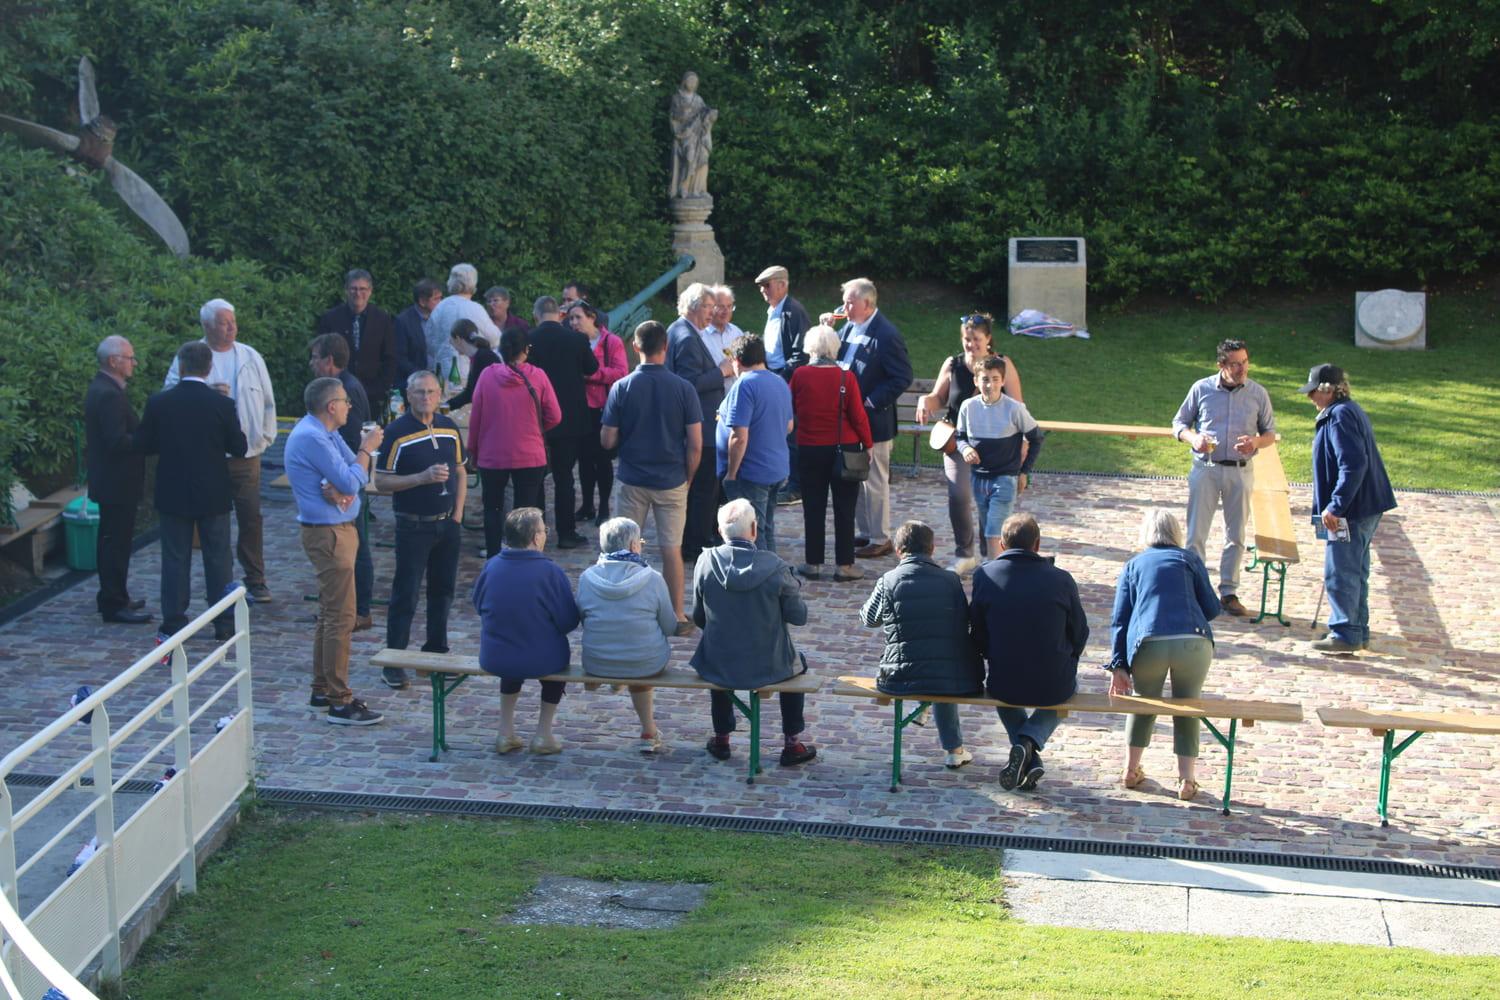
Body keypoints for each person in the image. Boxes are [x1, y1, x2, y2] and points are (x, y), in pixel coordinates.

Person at [283, 376, 384, 725]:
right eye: (344, 401)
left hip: (339, 530)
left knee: (330, 615)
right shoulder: (312, 436)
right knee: (341, 618)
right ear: (331, 406)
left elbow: (354, 478)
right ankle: (340, 701)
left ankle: (322, 688)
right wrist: (367, 449)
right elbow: (353, 476)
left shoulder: (325, 433)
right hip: (329, 535)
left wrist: (349, 480)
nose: (349, 406)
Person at [163, 299, 277, 603]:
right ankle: (219, 584)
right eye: (224, 322)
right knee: (213, 523)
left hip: (245, 453)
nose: (231, 327)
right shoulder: (189, 356)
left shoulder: (250, 356)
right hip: (206, 457)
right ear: (207, 326)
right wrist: (204, 396)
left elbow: (267, 401)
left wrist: (264, 438)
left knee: (251, 517)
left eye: (233, 321)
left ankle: (256, 578)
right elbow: (170, 396)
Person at [135, 342, 248, 644]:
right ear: (209, 368)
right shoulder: (222, 405)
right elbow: (239, 447)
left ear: (181, 367)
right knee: (218, 558)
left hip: (173, 490)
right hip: (212, 490)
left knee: (175, 558)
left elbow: (144, 445)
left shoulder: (159, 403)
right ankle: (223, 623)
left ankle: (174, 622)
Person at [690, 499, 816, 767]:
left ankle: (722, 736)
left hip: (720, 660)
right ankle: (792, 742)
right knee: (797, 663)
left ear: (721, 530)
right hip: (769, 662)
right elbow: (799, 617)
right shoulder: (776, 567)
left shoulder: (705, 561)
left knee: (717, 653)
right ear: (754, 529)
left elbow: (699, 617)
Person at [1108, 509, 1222, 801]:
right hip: (1192, 640)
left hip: (1149, 642)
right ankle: (1187, 779)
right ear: (1175, 532)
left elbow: (1120, 619)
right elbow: (1212, 608)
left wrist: (1118, 665)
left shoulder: (1133, 565)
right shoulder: (1188, 558)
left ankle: (1131, 769)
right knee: (1187, 705)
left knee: (1144, 703)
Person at [970, 514, 1089, 792]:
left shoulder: (984, 575)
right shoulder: (1061, 579)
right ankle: (1029, 745)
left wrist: (990, 654)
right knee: (1068, 692)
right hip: (1053, 681)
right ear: (1038, 544)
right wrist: (1069, 657)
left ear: (1001, 544)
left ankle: (1026, 750)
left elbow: (977, 629)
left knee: (1000, 695)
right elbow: (1080, 631)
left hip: (1005, 680)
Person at [600, 320, 703, 627]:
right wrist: (689, 475)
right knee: (672, 549)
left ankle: (626, 609)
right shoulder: (684, 388)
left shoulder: (622, 387)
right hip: (671, 479)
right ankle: (676, 613)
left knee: (625, 546)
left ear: (636, 347)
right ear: (666, 348)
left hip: (633, 478)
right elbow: (695, 444)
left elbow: (607, 439)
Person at [860, 521, 984, 769]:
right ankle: (954, 750)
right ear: (933, 549)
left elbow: (869, 620)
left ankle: (926, 714)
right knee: (941, 667)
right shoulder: (950, 580)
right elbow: (963, 621)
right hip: (950, 675)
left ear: (898, 550)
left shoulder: (888, 580)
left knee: (930, 666)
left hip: (900, 676)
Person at [1171, 339, 1277, 617]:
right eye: (1235, 363)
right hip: (1206, 468)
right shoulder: (1201, 389)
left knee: (1236, 535)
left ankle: (1229, 592)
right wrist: (1194, 439)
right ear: (1221, 365)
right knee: (1196, 534)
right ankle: (1194, 590)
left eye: (1244, 361)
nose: (1242, 368)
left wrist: (1254, 442)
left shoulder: (1258, 393)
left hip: (1241, 471)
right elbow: (1179, 424)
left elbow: (1269, 435)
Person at [375, 371, 465, 691]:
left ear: (439, 395)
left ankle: (435, 655)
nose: (425, 398)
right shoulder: (396, 433)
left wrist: (457, 514)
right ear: (408, 396)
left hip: (446, 523)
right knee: (406, 593)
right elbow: (381, 482)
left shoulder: (449, 427)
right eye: (418, 392)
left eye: (430, 392)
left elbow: (460, 470)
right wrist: (421, 478)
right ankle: (394, 661)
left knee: (442, 592)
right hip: (413, 524)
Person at [914, 313, 1024, 573]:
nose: (971, 344)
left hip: (996, 443)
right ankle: (965, 553)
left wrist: (1023, 445)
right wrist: (924, 402)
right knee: (959, 495)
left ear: (988, 339)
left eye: (976, 339)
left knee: (990, 500)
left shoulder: (1002, 364)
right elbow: (938, 398)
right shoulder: (953, 364)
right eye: (967, 338)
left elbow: (1018, 406)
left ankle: (991, 556)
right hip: (958, 442)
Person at [1302, 363, 1397, 653]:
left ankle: (1344, 632)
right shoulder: (1348, 410)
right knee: (1356, 569)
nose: (1310, 397)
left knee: (1340, 569)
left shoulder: (1339, 416)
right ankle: (1358, 629)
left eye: (1314, 391)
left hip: (1351, 510)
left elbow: (1352, 465)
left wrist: (1336, 506)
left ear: (1327, 390)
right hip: (1365, 506)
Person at [472, 507, 580, 754]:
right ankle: (543, 734)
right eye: (543, 530)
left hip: (496, 656)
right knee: (555, 667)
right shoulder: (550, 572)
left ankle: (505, 731)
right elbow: (568, 621)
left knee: (514, 652)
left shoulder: (491, 566)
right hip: (542, 660)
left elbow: (478, 605)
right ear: (535, 538)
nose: (545, 534)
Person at [824, 278, 912, 558]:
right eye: (845, 301)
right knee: (856, 476)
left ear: (867, 304)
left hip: (873, 420)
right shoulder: (850, 325)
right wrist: (827, 332)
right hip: (849, 419)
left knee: (874, 480)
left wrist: (869, 402)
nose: (844, 307)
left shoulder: (886, 335)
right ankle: (865, 532)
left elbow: (902, 377)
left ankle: (881, 536)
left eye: (850, 302)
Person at [576, 517, 678, 753]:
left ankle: (619, 680)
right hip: (644, 661)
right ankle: (648, 731)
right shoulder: (652, 578)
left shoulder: (587, 577)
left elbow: (584, 619)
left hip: (597, 661)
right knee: (642, 653)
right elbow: (670, 627)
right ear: (633, 546)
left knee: (630, 646)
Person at [789, 324, 872, 581]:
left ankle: (813, 562)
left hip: (810, 448)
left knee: (813, 506)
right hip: (843, 449)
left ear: (810, 348)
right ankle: (844, 565)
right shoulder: (846, 377)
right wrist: (867, 444)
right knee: (844, 508)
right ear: (835, 348)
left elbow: (791, 408)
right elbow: (858, 416)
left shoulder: (800, 375)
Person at [469, 326, 561, 558]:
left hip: (492, 453)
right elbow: (555, 415)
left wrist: (473, 450)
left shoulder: (487, 375)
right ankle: (524, 555)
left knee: (492, 508)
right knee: (526, 511)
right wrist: (537, 429)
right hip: (529, 452)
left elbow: (476, 418)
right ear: (526, 350)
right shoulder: (538, 376)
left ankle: (493, 554)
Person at [308, 334, 374, 630]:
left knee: (357, 547)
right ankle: (345, 607)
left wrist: (340, 482)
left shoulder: (344, 389)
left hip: (348, 480)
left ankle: (359, 610)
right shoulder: (342, 386)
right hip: (345, 477)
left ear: (329, 361)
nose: (311, 363)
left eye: (315, 357)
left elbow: (350, 438)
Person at [85, 335, 150, 624]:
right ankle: (113, 602)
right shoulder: (109, 393)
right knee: (115, 543)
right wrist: (145, 440)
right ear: (114, 361)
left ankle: (115, 596)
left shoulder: (103, 388)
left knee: (114, 541)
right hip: (117, 482)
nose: (133, 363)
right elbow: (116, 441)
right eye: (129, 358)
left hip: (112, 481)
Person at [526, 295, 600, 549]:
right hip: (569, 417)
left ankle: (535, 533)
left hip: (536, 416)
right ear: (560, 315)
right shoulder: (576, 339)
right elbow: (592, 368)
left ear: (536, 315)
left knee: (535, 476)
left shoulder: (529, 340)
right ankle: (566, 532)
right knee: (564, 476)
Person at [665, 282, 732, 563]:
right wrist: (721, 372)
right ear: (694, 307)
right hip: (699, 427)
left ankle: (694, 539)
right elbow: (689, 383)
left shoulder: (681, 331)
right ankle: (697, 543)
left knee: (700, 488)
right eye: (708, 306)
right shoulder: (687, 337)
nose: (712, 312)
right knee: (704, 488)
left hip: (697, 424)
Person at [954, 357, 1044, 560]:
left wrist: (1024, 471)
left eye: (995, 379)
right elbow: (959, 437)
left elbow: (1036, 438)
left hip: (1005, 478)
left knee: (994, 529)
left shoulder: (1014, 409)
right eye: (985, 379)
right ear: (976, 381)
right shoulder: (968, 407)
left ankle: (993, 571)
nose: (990, 385)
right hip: (978, 478)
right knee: (988, 527)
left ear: (1002, 381)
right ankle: (997, 563)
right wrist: (965, 448)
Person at [717, 335, 793, 553]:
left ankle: (761, 579)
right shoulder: (779, 381)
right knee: (766, 527)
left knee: (752, 532)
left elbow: (739, 436)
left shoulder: (744, 384)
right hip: (777, 468)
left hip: (753, 472)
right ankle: (772, 573)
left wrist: (731, 474)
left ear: (738, 360)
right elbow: (789, 425)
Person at [755, 265, 813, 506]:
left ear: (782, 284)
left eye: (767, 285)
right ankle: (785, 479)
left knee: (792, 433)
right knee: (780, 432)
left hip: (787, 380)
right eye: (761, 286)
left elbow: (801, 353)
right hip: (775, 375)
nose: (763, 290)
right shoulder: (774, 311)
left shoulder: (793, 311)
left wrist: (780, 377)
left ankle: (796, 485)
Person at [570, 299, 627, 525]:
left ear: (591, 317)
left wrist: (592, 376)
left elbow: (620, 372)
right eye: (571, 318)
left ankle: (603, 506)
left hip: (603, 406)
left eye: (578, 318)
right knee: (584, 460)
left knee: (602, 459)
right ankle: (587, 504)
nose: (574, 322)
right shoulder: (574, 342)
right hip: (581, 407)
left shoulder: (611, 341)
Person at [315, 269, 396, 413]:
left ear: (370, 291)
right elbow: (321, 356)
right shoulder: (330, 318)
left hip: (373, 396)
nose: (358, 293)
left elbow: (390, 357)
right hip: (337, 394)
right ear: (346, 290)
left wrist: (381, 388)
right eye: (353, 288)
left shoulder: (382, 319)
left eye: (363, 289)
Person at [426, 263, 501, 387]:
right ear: (473, 283)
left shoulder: (440, 307)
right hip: (468, 372)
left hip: (441, 374)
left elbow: (429, 342)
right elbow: (494, 339)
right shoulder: (474, 308)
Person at [668, 71, 716, 199]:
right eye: (690, 80)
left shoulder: (699, 99)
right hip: (684, 135)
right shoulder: (677, 98)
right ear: (684, 81)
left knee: (703, 160)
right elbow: (674, 118)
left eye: (695, 82)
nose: (692, 84)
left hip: (699, 136)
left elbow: (704, 115)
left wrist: (710, 116)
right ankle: (683, 187)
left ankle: (698, 189)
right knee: (689, 158)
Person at [393, 278, 443, 397]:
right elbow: (400, 358)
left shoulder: (441, 317)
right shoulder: (403, 322)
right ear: (422, 301)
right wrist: (422, 375)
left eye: (441, 297)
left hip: (439, 381)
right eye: (436, 299)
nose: (441, 302)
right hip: (413, 385)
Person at [443, 319, 499, 412]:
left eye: (451, 340)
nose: (451, 344)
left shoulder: (483, 357)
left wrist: (446, 406)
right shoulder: (479, 356)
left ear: (457, 339)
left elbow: (470, 393)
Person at [706, 285, 743, 392]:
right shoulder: (701, 335)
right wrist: (721, 371)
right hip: (712, 398)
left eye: (729, 306)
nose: (726, 311)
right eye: (721, 307)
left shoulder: (737, 333)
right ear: (711, 307)